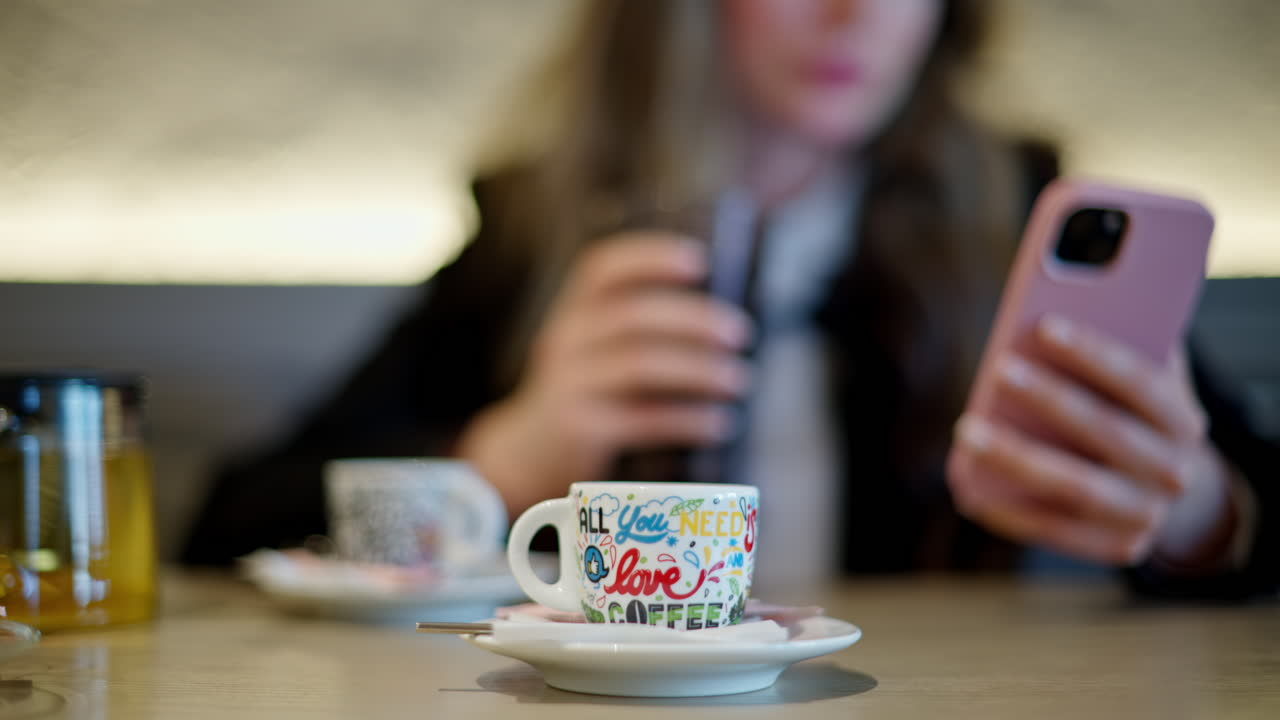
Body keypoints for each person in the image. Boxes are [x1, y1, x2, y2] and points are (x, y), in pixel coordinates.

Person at [183, 0, 1277, 598]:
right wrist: (507, 456)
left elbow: (1250, 504)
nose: (857, 16)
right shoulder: (534, 235)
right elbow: (233, 524)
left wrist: (1203, 518)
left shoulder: (1017, 219)